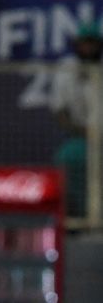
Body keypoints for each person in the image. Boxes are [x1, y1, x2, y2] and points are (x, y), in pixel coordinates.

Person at [49, 23, 103, 217]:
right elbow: (59, 110)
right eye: (84, 44)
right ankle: (77, 219)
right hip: (81, 136)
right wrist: (84, 132)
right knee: (68, 158)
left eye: (92, 44)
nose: (88, 48)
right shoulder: (67, 67)